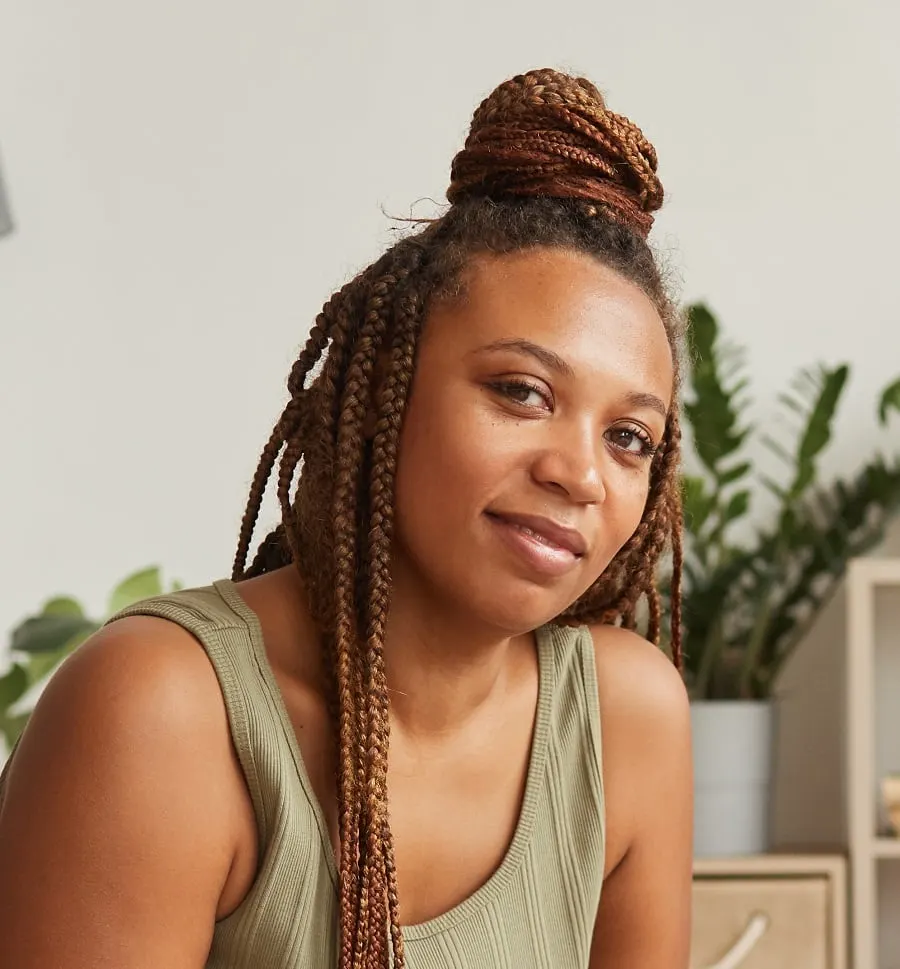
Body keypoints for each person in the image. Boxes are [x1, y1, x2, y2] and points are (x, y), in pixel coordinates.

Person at [0, 68, 693, 968]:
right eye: (521, 391)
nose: (581, 473)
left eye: (631, 437)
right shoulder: (164, 713)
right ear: (384, 393)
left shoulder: (624, 720)